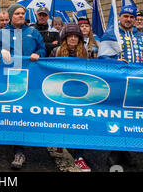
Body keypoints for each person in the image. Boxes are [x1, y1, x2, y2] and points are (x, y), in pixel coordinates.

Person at [99, 4, 143, 168]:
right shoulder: (111, 34)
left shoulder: (142, 37)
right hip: (117, 84)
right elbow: (102, 57)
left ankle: (126, 151)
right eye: (126, 16)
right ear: (120, 17)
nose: (129, 19)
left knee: (132, 119)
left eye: (132, 17)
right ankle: (114, 154)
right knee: (117, 118)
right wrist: (113, 61)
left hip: (137, 84)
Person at [0, 3, 45, 170]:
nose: (21, 16)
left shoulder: (33, 32)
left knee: (23, 113)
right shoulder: (1, 33)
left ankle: (19, 151)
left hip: (30, 79)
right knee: (12, 112)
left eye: (23, 13)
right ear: (10, 16)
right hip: (8, 79)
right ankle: (11, 143)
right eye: (17, 13)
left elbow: (43, 49)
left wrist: (39, 54)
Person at [49, 23, 91, 172]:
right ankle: (60, 144)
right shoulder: (57, 51)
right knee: (63, 120)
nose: (73, 39)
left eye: (76, 36)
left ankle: (79, 157)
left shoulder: (85, 52)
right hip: (61, 94)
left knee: (80, 124)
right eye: (69, 36)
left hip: (80, 94)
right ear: (64, 38)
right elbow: (48, 72)